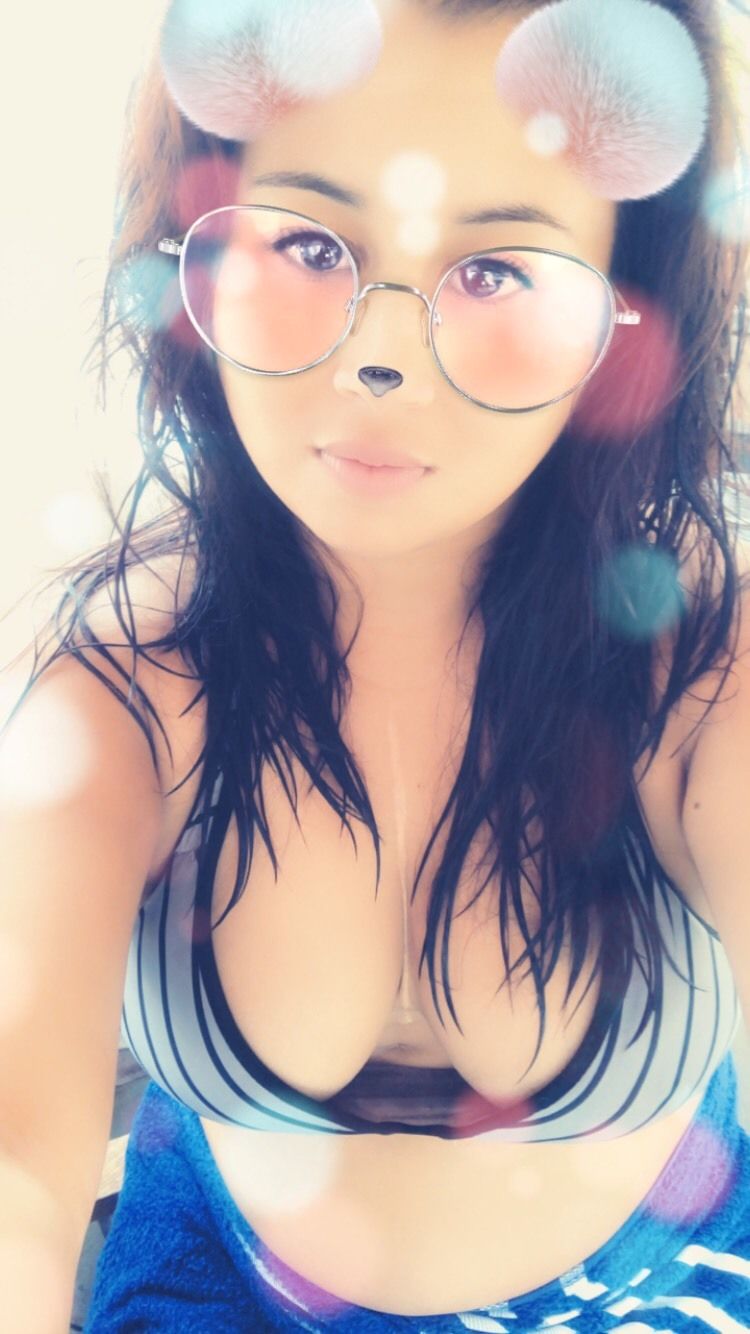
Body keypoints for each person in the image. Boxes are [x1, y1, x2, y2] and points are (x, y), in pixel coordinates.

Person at [1, 0, 750, 1329]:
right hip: (222, 1273)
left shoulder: (696, 673)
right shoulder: (127, 687)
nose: (382, 356)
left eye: (498, 268)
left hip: (656, 1274)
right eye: (306, 242)